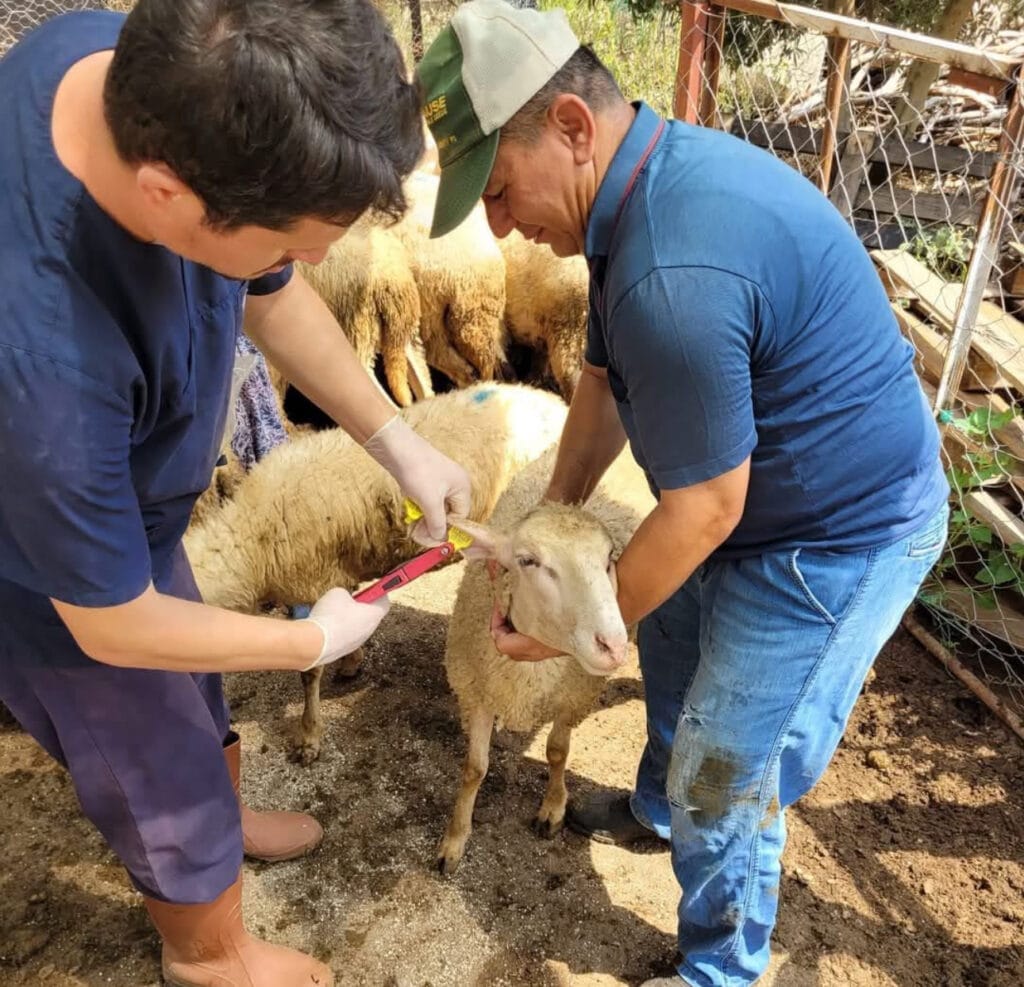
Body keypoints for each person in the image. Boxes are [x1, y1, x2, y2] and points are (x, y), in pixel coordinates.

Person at [416, 2, 949, 984]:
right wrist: (555, 512)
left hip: (832, 539)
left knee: (725, 770)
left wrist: (564, 629)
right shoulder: (632, 205)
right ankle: (657, 811)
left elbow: (705, 511)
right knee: (660, 636)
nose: (495, 225)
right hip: (748, 504)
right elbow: (602, 377)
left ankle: (719, 965)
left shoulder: (670, 264)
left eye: (495, 189)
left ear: (573, 129)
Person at [0, 2, 471, 985]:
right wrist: (310, 640)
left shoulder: (143, 69)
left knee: (193, 686)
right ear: (166, 196)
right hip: (43, 571)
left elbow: (263, 290)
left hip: (126, 497)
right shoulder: (42, 360)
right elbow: (113, 623)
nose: (300, 270)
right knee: (143, 746)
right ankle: (208, 954)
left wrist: (394, 438)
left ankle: (218, 822)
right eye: (285, 246)